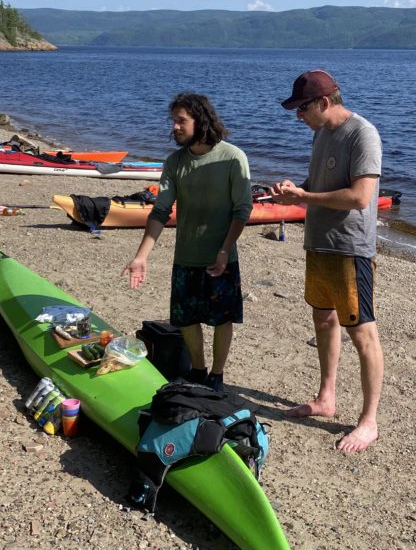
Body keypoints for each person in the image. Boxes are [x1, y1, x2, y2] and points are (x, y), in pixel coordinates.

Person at [271, 70, 385, 453]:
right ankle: (326, 398)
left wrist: (304, 196)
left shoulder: (362, 134)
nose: (297, 116)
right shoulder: (321, 133)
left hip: (349, 247)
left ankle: (369, 422)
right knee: (323, 318)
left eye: (301, 108)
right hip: (318, 242)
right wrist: (294, 191)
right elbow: (319, 183)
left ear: (323, 103)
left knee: (362, 332)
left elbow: (359, 198)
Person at [123, 93, 252, 392]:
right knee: (185, 318)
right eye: (174, 121)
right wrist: (142, 256)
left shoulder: (233, 157)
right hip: (186, 256)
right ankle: (197, 369)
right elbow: (160, 211)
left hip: (221, 256)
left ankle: (217, 376)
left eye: (181, 121)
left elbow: (242, 210)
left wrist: (224, 249)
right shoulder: (175, 162)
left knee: (222, 319)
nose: (175, 127)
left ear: (201, 120)